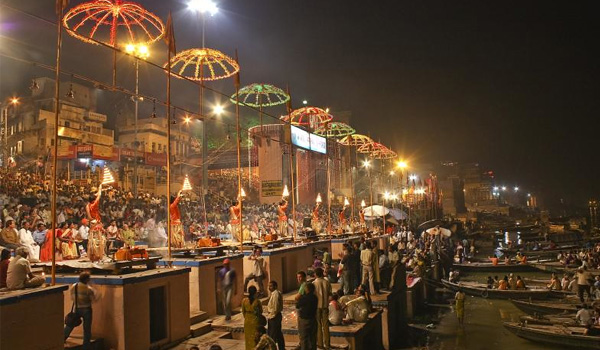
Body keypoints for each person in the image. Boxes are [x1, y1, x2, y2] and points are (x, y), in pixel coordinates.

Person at [64, 272, 96, 350]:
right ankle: (86, 346)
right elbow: (93, 299)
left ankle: (63, 337)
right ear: (86, 279)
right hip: (87, 309)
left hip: (76, 308)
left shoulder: (74, 286)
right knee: (87, 329)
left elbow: (72, 297)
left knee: (70, 324)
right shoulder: (88, 289)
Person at [313, 267, 332, 350]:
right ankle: (327, 344)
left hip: (317, 306)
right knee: (326, 325)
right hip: (325, 306)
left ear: (316, 274)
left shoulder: (314, 283)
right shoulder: (327, 282)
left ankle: (320, 344)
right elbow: (330, 294)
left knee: (318, 325)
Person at [296, 282, 318, 350]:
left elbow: (297, 305)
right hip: (313, 319)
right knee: (313, 338)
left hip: (304, 320)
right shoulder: (315, 297)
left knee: (304, 338)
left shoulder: (304, 298)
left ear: (307, 289)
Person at [242, 286, 263, 350]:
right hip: (255, 321)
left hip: (247, 321)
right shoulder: (257, 301)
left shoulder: (244, 300)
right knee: (255, 338)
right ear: (255, 292)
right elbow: (261, 311)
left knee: (248, 338)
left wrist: (247, 317)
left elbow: (243, 311)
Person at [266, 280, 285, 350]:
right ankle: (281, 347)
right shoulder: (274, 294)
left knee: (273, 335)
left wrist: (272, 316)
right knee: (278, 333)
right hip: (274, 316)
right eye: (269, 286)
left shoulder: (276, 294)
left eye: (271, 286)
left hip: (274, 317)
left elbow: (275, 307)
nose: (269, 287)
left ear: (275, 286)